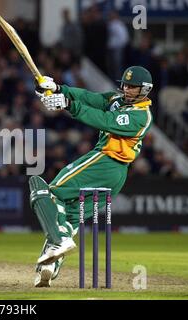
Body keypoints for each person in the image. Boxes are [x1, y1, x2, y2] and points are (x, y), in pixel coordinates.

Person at [31, 66, 153, 287]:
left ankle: (59, 241)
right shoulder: (117, 99)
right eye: (125, 84)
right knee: (70, 216)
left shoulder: (140, 115)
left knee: (52, 191)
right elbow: (90, 98)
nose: (127, 89)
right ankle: (50, 266)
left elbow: (104, 120)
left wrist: (68, 104)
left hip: (106, 161)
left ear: (145, 90)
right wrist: (59, 89)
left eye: (133, 87)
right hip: (113, 174)